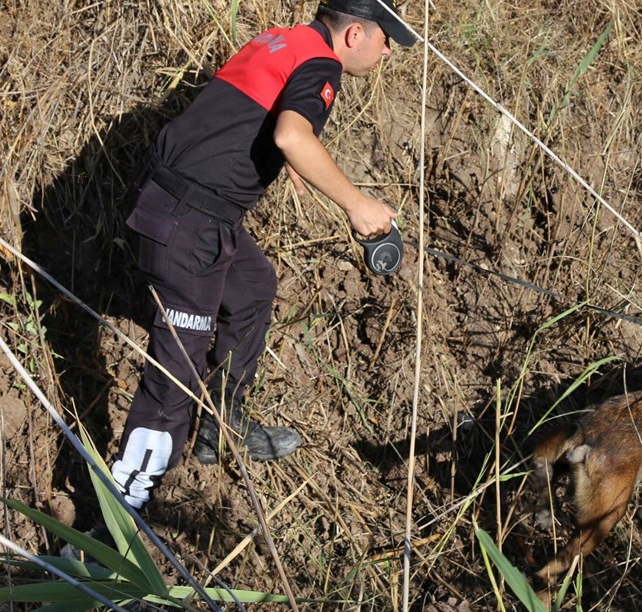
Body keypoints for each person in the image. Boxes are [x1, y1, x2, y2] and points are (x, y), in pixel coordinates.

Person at [109, 0, 416, 511]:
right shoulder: (323, 65)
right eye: (387, 38)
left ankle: (219, 425)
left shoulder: (278, 40)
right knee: (174, 377)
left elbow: (247, 114)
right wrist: (357, 205)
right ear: (355, 33)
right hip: (190, 223)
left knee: (252, 289)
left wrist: (288, 152)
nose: (388, 50)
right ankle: (120, 523)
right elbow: (290, 133)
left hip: (170, 201)